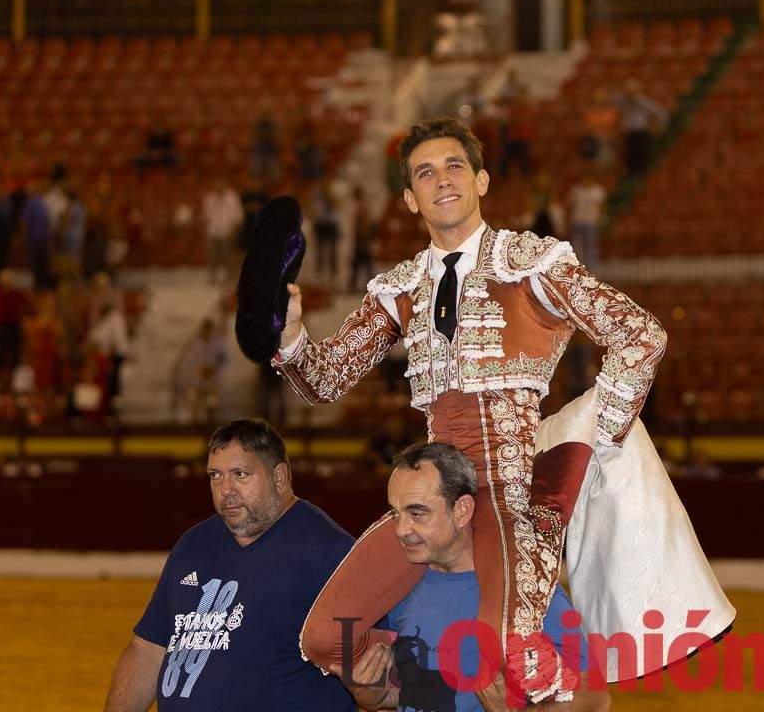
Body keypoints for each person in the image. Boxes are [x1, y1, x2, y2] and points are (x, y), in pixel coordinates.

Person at [275, 117, 669, 697]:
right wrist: (291, 337)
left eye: (454, 166)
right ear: (410, 198)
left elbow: (641, 334)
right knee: (324, 639)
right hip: (433, 498)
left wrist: (594, 440)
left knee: (498, 656)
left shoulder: (531, 263)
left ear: (482, 181)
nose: (443, 181)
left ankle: (562, 691)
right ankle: (429, 665)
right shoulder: (402, 287)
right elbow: (326, 381)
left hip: (510, 496)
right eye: (425, 173)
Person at [102, 419, 356, 712]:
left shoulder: (329, 553)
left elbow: (368, 667)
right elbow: (148, 648)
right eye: (215, 475)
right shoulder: (194, 544)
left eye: (240, 474)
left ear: (280, 477)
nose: (226, 490)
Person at [342, 443, 608, 712]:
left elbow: (595, 700)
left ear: (462, 511)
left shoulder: (524, 589)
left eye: (417, 514)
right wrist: (375, 699)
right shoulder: (401, 585)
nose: (400, 529)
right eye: (395, 513)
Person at [614, 81, 667, 179]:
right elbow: (612, 97)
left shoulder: (644, 102)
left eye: (632, 91)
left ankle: (643, 175)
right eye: (628, 91)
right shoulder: (622, 101)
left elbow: (661, 113)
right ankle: (631, 174)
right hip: (629, 132)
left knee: (642, 153)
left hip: (641, 131)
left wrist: (657, 126)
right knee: (630, 154)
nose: (630, 94)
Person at [201, 177, 244, 285]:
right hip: (212, 231)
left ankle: (230, 278)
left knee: (228, 256)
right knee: (212, 256)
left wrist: (234, 231)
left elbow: (239, 216)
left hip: (228, 231)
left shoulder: (232, 197)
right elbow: (205, 215)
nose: (219, 186)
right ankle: (213, 277)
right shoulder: (209, 198)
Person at [0, 269, 28, 377]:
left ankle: (14, 375)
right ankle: (0, 375)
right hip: (1, 326)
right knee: (0, 353)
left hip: (14, 326)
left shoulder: (17, 295)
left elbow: (24, 309)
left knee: (15, 352)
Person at [566, 174, 608, 271]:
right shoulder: (576, 191)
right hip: (577, 222)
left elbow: (603, 207)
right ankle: (577, 268)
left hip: (591, 223)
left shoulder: (598, 191)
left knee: (591, 248)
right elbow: (570, 207)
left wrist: (602, 219)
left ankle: (592, 270)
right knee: (577, 247)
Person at [349, 185, 378, 293]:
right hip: (361, 236)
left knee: (363, 261)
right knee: (362, 261)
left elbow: (365, 222)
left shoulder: (362, 206)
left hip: (362, 237)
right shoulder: (361, 205)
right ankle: (360, 283)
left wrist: (363, 235)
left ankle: (364, 283)